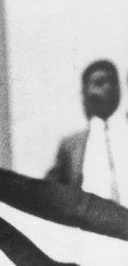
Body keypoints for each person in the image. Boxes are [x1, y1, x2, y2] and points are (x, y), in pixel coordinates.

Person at [46, 60, 126, 200]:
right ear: (85, 92)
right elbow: (50, 191)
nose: (108, 87)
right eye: (99, 83)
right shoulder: (71, 146)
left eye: (113, 82)